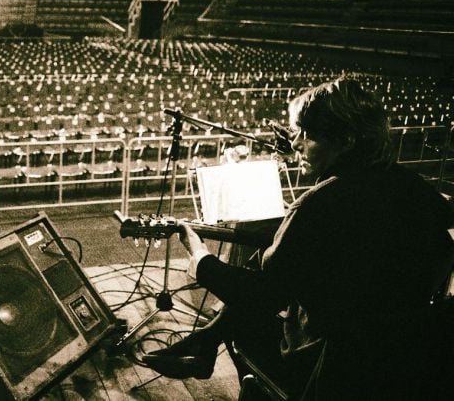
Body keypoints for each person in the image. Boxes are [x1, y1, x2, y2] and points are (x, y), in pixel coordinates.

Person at [142, 76, 454, 400]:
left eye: (309, 134)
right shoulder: (420, 191)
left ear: (346, 139)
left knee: (252, 319)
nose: (295, 143)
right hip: (407, 356)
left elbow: (264, 296)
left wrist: (201, 262)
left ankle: (242, 372)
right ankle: (207, 341)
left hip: (334, 368)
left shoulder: (320, 204)